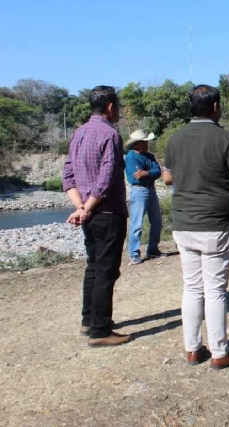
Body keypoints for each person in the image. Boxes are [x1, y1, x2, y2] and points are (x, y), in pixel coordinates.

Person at [162, 84, 229, 369]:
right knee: (214, 291)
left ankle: (192, 349)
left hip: (183, 223)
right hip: (214, 225)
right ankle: (220, 352)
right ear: (215, 107)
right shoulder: (227, 138)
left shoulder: (175, 139)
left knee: (192, 288)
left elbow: (166, 179)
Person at [62, 85, 131, 347]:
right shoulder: (110, 135)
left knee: (93, 265)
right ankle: (100, 330)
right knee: (106, 270)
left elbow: (67, 175)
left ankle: (88, 320)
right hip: (107, 212)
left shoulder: (78, 133)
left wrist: (80, 207)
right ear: (111, 107)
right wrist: (87, 207)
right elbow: (106, 178)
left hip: (88, 213)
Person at [124, 129, 164, 264]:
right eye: (143, 142)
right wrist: (150, 174)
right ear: (136, 144)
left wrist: (146, 173)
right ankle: (134, 253)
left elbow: (158, 171)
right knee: (137, 223)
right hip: (139, 191)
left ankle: (153, 249)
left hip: (150, 190)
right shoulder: (130, 157)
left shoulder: (150, 156)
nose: (146, 145)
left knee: (157, 221)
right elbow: (135, 178)